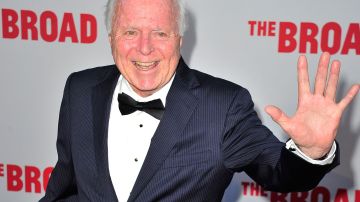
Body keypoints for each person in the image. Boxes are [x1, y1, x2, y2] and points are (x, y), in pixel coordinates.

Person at [40, 0, 359, 201]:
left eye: (160, 34)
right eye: (130, 32)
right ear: (111, 37)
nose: (145, 48)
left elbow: (277, 172)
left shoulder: (223, 106)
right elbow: (64, 188)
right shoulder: (79, 89)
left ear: (179, 39)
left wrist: (312, 151)